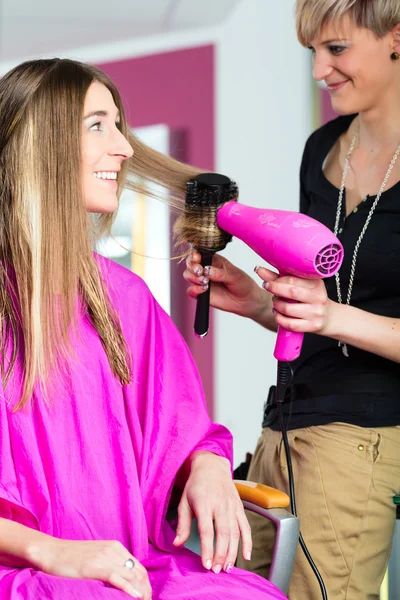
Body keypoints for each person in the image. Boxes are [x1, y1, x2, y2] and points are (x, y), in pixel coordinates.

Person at [0, 58, 288, 600]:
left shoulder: (124, 299)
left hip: (135, 566)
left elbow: (182, 427)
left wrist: (207, 465)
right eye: (97, 125)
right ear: (39, 144)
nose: (125, 148)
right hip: (21, 572)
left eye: (119, 124)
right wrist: (53, 552)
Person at [184, 1, 400, 599]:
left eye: (335, 50)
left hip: (363, 436)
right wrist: (259, 302)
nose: (319, 71)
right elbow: (321, 299)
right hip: (281, 426)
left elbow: (337, 312)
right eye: (312, 52)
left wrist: (332, 314)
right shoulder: (323, 147)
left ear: (395, 38)